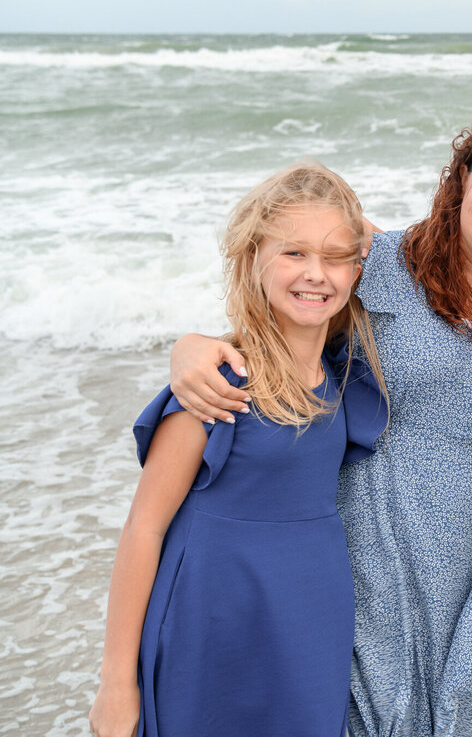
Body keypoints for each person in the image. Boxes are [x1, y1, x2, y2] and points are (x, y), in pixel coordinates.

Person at [167, 106, 472, 736]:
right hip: (382, 541)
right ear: (463, 176)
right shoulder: (380, 262)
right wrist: (193, 346)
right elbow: (285, 304)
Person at [88, 162, 388, 737]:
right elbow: (143, 529)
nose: (315, 274)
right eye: (293, 253)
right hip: (212, 625)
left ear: (357, 268)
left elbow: (416, 257)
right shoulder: (217, 387)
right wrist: (115, 682)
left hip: (310, 629)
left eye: (334, 257)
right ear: (253, 258)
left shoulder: (347, 379)